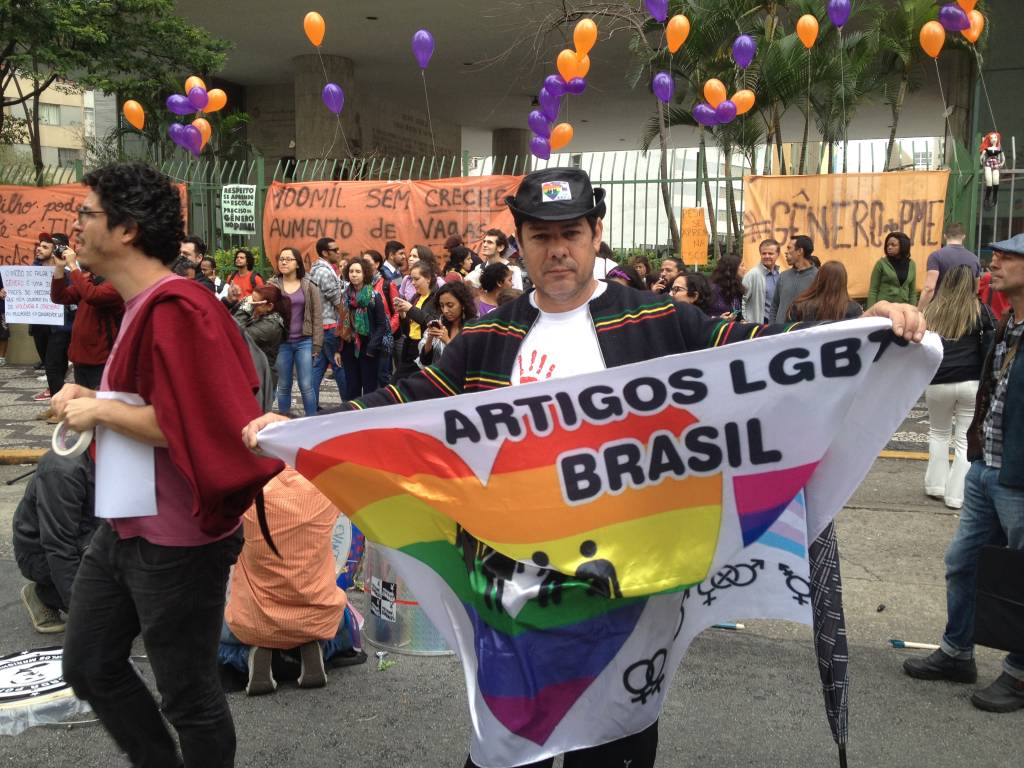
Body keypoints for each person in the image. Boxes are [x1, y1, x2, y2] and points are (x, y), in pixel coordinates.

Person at [243, 166, 925, 768]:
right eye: (541, 236)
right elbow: (401, 406)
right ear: (522, 242)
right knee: (507, 748)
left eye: (571, 232)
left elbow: (754, 353)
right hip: (515, 599)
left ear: (596, 232)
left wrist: (862, 332)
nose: (558, 249)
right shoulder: (487, 338)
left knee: (615, 749)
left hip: (627, 599)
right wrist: (301, 430)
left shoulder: (660, 321)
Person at [54, 162, 281, 768]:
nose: (75, 225)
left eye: (86, 214)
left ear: (125, 229)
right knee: (90, 664)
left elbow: (201, 424)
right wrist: (93, 402)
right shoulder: (140, 304)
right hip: (126, 525)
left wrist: (98, 411)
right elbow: (150, 404)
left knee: (188, 695)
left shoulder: (179, 307)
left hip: (179, 539)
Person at [903, 233, 1024, 713]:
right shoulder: (1005, 323)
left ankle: (1017, 674)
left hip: (1017, 476)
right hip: (986, 470)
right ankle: (957, 651)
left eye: (1009, 256)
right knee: (963, 562)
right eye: (995, 254)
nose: (994, 260)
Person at [219, 468, 363, 695]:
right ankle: (312, 649)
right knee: (345, 620)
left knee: (219, 636)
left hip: (254, 619)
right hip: (315, 616)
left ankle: (258, 654)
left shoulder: (244, 491)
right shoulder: (325, 488)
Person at [920, 265, 994, 510]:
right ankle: (956, 496)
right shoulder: (979, 310)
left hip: (938, 380)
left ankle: (935, 486)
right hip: (971, 380)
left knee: (938, 432)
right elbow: (991, 342)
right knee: (964, 438)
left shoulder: (933, 310)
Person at [14, 450, 97, 634]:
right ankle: (45, 594)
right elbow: (59, 545)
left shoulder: (129, 461)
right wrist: (83, 613)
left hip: (91, 540)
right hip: (42, 554)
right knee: (107, 612)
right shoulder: (62, 469)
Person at [49, 242, 125, 392]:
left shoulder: (117, 282)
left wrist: (72, 267)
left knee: (100, 410)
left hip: (102, 361)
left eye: (83, 250)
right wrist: (59, 268)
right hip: (81, 359)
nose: (77, 252)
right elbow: (59, 297)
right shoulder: (89, 281)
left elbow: (93, 296)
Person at [268, 247, 324, 417]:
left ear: (297, 263)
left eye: (288, 259)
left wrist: (317, 344)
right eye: (281, 259)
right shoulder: (272, 285)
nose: (283, 262)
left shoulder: (308, 285)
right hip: (281, 343)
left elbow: (317, 316)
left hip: (304, 341)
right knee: (283, 385)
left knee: (306, 385)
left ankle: (312, 421)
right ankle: (284, 421)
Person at [337, 257, 387, 399]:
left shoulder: (373, 297)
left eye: (358, 271)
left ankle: (369, 419)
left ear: (365, 274)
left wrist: (372, 347)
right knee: (352, 389)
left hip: (368, 348)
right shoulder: (344, 296)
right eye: (351, 271)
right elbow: (340, 323)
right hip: (349, 347)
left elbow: (381, 325)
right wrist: (338, 349)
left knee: (370, 389)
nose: (354, 274)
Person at [308, 237, 346, 407]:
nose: (339, 252)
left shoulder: (319, 269)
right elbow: (337, 300)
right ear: (325, 253)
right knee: (339, 365)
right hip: (330, 326)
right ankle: (349, 404)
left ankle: (312, 405)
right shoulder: (324, 271)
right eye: (335, 250)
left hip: (321, 326)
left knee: (318, 368)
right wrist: (346, 323)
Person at [393, 260, 440, 380]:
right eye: (411, 279)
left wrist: (410, 309)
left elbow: (432, 322)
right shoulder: (415, 297)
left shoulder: (437, 298)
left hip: (423, 348)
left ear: (428, 278)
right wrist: (403, 314)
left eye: (416, 279)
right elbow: (407, 330)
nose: (413, 283)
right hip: (409, 347)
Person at [919, 223, 980, 309]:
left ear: (944, 236)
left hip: (940, 309)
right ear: (963, 237)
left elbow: (929, 288)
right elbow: (976, 290)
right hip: (964, 310)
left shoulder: (936, 256)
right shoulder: (974, 259)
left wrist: (919, 310)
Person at [234, 284, 287, 381]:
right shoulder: (261, 314)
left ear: (270, 306)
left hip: (261, 378)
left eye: (255, 302)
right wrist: (232, 301)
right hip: (253, 372)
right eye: (251, 299)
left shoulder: (271, 326)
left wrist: (245, 309)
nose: (251, 304)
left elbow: (236, 335)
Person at [419, 281, 477, 367]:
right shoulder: (440, 324)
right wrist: (430, 338)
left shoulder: (474, 327)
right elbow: (425, 361)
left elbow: (470, 361)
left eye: (450, 305)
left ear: (463, 304)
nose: (445, 310)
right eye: (442, 306)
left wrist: (447, 341)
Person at [787, 261, 863, 322]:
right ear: (843, 282)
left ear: (819, 278)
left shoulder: (799, 306)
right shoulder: (854, 309)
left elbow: (789, 335)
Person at [770, 235, 818, 324]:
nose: (786, 252)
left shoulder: (818, 277)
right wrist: (771, 328)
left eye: (789, 248)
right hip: (779, 333)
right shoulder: (783, 276)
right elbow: (774, 306)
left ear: (800, 251)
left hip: (803, 334)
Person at [867, 232, 917, 308]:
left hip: (903, 309)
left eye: (893, 245)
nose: (889, 247)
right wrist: (871, 312)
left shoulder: (912, 264)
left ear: (903, 246)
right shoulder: (881, 264)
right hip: (883, 309)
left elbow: (912, 293)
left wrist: (913, 310)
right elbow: (873, 290)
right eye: (887, 245)